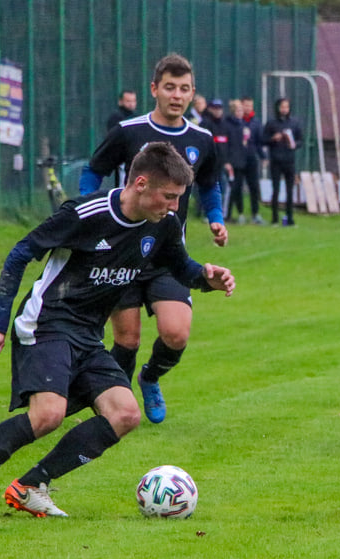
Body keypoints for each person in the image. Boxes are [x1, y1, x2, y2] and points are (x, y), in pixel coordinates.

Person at [0, 142, 235, 520]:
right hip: (47, 322)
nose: (174, 206)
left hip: (88, 333)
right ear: (141, 183)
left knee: (125, 413)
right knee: (48, 414)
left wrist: (207, 279)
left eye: (178, 198)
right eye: (168, 196)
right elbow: (20, 253)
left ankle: (30, 486)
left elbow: (181, 267)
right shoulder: (86, 214)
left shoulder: (164, 225)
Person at [79, 53, 228, 425]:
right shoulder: (129, 132)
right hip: (123, 254)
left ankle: (150, 378)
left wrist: (216, 219)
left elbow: (209, 184)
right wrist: (89, 211)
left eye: (184, 89)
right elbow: (93, 171)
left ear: (193, 93)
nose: (176, 95)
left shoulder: (201, 139)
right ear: (154, 89)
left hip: (168, 257)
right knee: (126, 339)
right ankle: (115, 405)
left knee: (176, 333)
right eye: (169, 87)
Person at [263, 97, 303, 226]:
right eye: (282, 107)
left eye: (286, 107)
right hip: (276, 160)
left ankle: (290, 218)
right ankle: (274, 219)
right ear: (278, 108)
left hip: (289, 160)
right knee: (275, 189)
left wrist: (294, 144)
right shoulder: (271, 123)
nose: (284, 109)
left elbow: (300, 140)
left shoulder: (294, 123)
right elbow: (263, 139)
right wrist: (273, 139)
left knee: (290, 190)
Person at [238, 96, 265, 224]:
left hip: (252, 158)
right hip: (238, 158)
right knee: (237, 187)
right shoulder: (237, 121)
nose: (248, 108)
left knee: (254, 186)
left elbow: (260, 142)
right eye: (246, 105)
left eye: (250, 106)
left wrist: (263, 157)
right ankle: (240, 213)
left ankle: (255, 213)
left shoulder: (256, 123)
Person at [224, 99, 249, 223]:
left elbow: (244, 143)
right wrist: (227, 161)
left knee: (239, 189)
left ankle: (240, 213)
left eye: (241, 110)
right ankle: (226, 214)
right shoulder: (227, 125)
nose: (240, 112)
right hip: (231, 163)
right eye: (238, 110)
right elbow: (226, 145)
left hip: (241, 162)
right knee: (230, 189)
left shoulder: (244, 125)